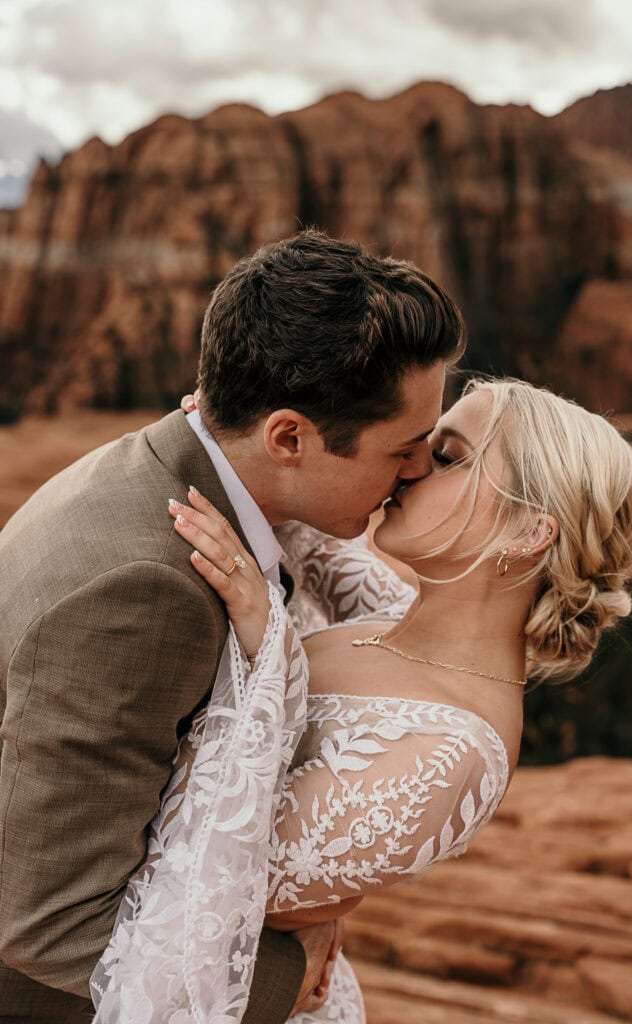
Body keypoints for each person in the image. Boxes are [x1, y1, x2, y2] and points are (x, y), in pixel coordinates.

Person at [0, 229, 465, 1023]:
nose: (417, 470)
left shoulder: (192, 463)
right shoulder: (149, 592)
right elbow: (46, 927)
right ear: (287, 437)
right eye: (405, 448)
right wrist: (289, 975)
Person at [92, 378, 632, 1022]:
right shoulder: (389, 612)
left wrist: (267, 657)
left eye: (446, 456)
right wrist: (234, 431)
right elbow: (309, 515)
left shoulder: (450, 752)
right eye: (413, 446)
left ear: (528, 531)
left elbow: (193, 891)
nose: (410, 466)